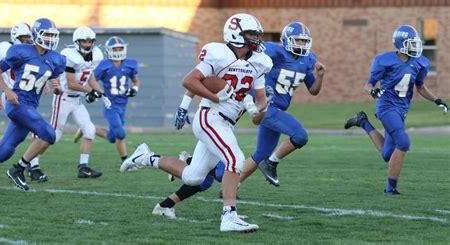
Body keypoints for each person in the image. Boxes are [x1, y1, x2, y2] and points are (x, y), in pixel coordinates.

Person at [121, 13, 272, 232]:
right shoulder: (217, 53)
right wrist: (212, 98)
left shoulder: (260, 62)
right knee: (235, 159)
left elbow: (259, 111)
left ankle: (145, 157)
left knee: (193, 177)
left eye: (257, 34)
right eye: (251, 34)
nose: (256, 38)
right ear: (235, 34)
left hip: (227, 123)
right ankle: (229, 216)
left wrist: (260, 109)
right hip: (210, 117)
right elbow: (189, 80)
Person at [175, 22, 326, 188]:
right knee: (300, 135)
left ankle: (208, 169)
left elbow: (313, 90)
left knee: (260, 155)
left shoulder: (309, 59)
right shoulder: (272, 51)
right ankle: (271, 163)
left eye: (304, 41)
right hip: (264, 106)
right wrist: (185, 103)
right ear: (286, 39)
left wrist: (319, 76)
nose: (302, 45)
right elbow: (219, 69)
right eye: (298, 40)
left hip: (276, 108)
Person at [344, 25, 448, 195]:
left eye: (416, 43)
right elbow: (368, 84)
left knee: (387, 155)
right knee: (404, 142)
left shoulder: (420, 63)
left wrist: (437, 100)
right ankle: (390, 188)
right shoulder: (385, 60)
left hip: (402, 110)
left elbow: (420, 87)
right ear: (400, 44)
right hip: (386, 106)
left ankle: (362, 121)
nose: (415, 47)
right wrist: (373, 91)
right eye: (411, 43)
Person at [0, 18, 66, 191]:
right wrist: (7, 91)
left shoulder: (56, 59)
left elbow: (52, 81)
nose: (50, 39)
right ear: (37, 34)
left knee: (5, 150)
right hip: (16, 103)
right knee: (49, 134)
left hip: (30, 106)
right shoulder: (20, 51)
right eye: (46, 34)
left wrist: (56, 89)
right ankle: (18, 169)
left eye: (52, 35)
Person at [32, 26, 107, 178]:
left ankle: (83, 167)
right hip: (64, 98)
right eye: (84, 41)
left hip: (77, 100)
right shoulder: (70, 56)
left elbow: (90, 76)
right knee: (54, 135)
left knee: (89, 129)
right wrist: (91, 92)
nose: (87, 44)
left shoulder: (96, 55)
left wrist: (101, 92)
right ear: (77, 42)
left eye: (89, 41)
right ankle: (32, 164)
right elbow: (71, 83)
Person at [0, 22, 49, 182]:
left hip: (27, 97)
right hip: (12, 96)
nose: (26, 40)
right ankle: (33, 168)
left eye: (28, 37)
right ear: (14, 37)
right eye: (22, 37)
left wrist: (45, 83)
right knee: (36, 128)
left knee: (17, 134)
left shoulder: (32, 51)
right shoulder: (4, 48)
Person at [93, 36, 140, 163]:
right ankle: (125, 161)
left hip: (123, 104)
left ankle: (88, 129)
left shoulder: (130, 65)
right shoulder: (104, 65)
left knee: (112, 137)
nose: (118, 51)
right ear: (109, 50)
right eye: (115, 49)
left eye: (120, 48)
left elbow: (135, 80)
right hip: (110, 104)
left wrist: (135, 88)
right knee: (121, 133)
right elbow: (92, 80)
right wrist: (99, 92)